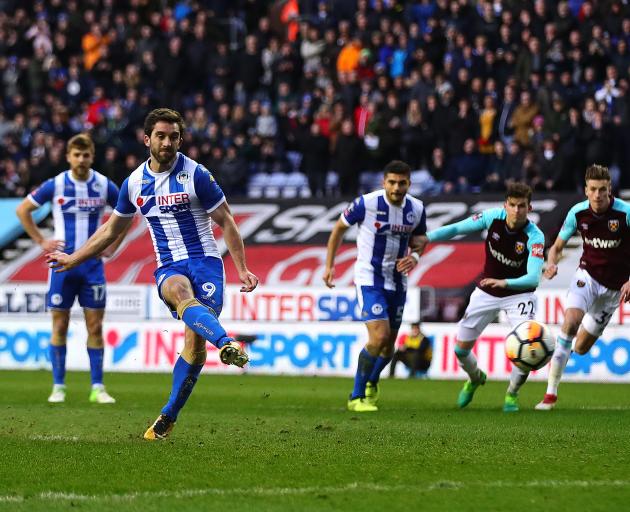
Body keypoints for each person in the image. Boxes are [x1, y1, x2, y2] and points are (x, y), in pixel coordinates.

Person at [46, 108, 258, 440]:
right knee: (179, 292)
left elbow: (227, 221)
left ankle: (169, 416)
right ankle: (227, 342)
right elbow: (109, 232)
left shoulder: (197, 174)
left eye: (174, 136)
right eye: (160, 135)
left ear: (180, 139)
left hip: (205, 261)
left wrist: (242, 268)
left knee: (194, 347)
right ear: (147, 139)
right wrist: (73, 258)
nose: (167, 142)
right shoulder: (134, 183)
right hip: (169, 266)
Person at [16, 133, 125, 404]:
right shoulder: (56, 184)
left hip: (92, 267)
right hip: (61, 267)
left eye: (85, 155)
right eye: (76, 155)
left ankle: (98, 387)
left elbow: (128, 211)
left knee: (95, 327)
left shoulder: (102, 184)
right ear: (68, 157)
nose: (81, 160)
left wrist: (114, 244)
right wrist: (41, 240)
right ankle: (58, 386)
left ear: (92, 156)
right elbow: (23, 210)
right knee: (59, 325)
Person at [419, 183, 545, 412]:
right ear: (505, 205)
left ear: (530, 207)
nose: (517, 211)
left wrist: (505, 282)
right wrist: (428, 237)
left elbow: (533, 279)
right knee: (460, 350)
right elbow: (457, 229)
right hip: (487, 291)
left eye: (522, 206)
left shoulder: (534, 236)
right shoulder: (491, 218)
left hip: (519, 295)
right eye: (513, 205)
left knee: (528, 348)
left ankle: (512, 394)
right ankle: (475, 377)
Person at [323, 160, 427, 412]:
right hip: (369, 278)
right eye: (392, 182)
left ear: (409, 184)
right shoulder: (366, 203)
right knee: (378, 337)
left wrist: (414, 257)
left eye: (402, 183)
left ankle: (372, 381)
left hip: (398, 281)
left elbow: (420, 239)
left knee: (389, 346)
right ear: (384, 182)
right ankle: (356, 396)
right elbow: (338, 229)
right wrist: (329, 265)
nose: (396, 187)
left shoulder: (417, 208)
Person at [536, 165, 630, 410]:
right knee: (570, 322)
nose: (598, 195)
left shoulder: (625, 213)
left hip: (613, 291)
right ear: (586, 191)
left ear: (610, 190)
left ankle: (566, 355)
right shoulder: (577, 213)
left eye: (602, 190)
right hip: (586, 276)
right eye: (593, 190)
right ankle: (550, 394)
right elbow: (556, 247)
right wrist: (551, 264)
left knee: (580, 347)